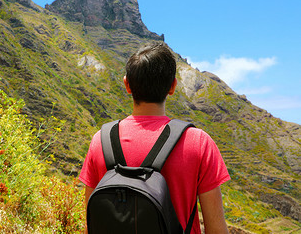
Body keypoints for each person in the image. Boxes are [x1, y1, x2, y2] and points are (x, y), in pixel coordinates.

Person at [79, 42, 230, 234]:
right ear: (173, 86)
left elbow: (89, 227)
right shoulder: (198, 142)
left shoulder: (100, 141)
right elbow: (216, 230)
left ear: (127, 85)